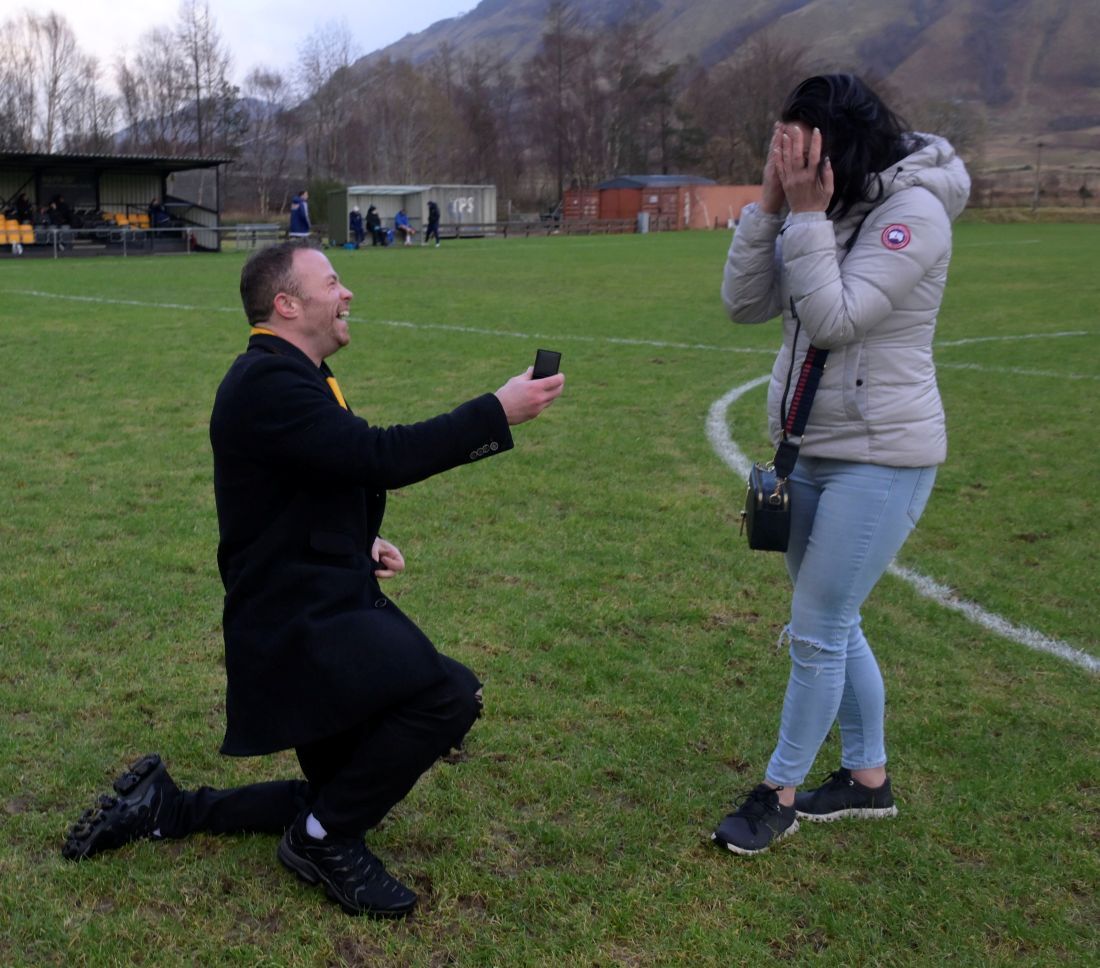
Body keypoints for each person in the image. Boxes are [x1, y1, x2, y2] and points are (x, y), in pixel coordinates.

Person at [62, 240, 566, 917]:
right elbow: (376, 455)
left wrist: (360, 542)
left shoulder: (291, 373)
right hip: (296, 623)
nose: (347, 292)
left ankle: (170, 808)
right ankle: (320, 843)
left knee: (342, 788)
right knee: (450, 695)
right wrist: (494, 412)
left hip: (317, 597)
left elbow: (312, 476)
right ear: (287, 304)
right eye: (332, 281)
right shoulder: (266, 382)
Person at [712, 74, 970, 855]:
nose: (788, 163)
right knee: (833, 621)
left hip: (882, 456)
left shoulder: (913, 212)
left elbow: (834, 318)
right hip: (810, 447)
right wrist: (769, 207)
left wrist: (812, 216)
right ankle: (867, 780)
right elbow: (745, 303)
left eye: (797, 150)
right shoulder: (821, 204)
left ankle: (779, 794)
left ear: (838, 149)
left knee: (818, 626)